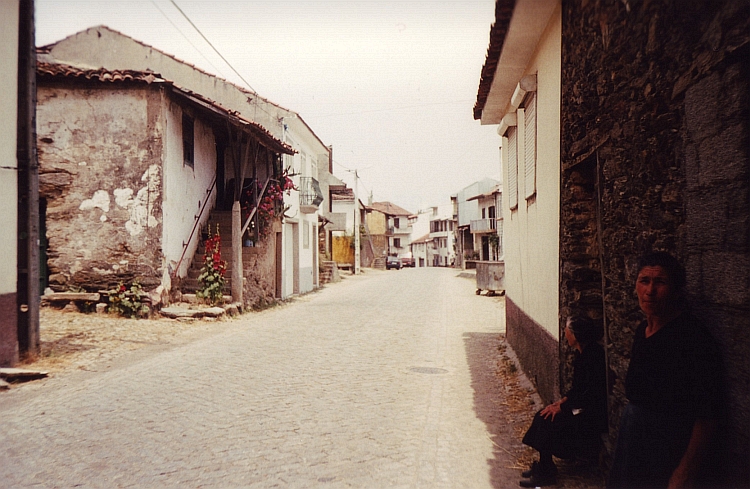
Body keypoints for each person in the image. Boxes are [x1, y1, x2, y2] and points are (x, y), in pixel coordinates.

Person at [608, 252, 722, 488]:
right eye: (644, 281)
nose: (650, 290)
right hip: (636, 440)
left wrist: (685, 470)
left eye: (660, 282)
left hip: (669, 447)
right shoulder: (643, 330)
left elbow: (708, 412)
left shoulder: (691, 337)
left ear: (676, 290)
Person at [519, 316, 608, 488]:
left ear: (575, 335)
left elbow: (590, 395)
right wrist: (560, 403)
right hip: (580, 407)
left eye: (567, 330)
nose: (565, 333)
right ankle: (545, 465)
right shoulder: (582, 354)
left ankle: (546, 473)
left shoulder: (594, 357)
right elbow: (577, 389)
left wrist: (563, 408)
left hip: (591, 414)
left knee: (548, 420)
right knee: (543, 414)